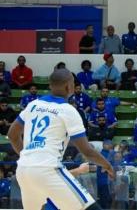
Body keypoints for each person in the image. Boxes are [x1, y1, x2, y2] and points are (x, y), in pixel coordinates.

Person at [7, 68, 114, 210]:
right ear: (69, 87)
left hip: (23, 170)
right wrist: (107, 165)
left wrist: (30, 157)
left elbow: (12, 135)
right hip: (47, 169)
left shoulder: (33, 105)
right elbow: (87, 151)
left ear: (50, 85)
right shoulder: (68, 110)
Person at [96, 140, 114, 208]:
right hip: (105, 182)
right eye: (107, 144)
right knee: (106, 202)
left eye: (110, 144)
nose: (109, 145)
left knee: (103, 201)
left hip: (101, 181)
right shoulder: (106, 154)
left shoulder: (100, 154)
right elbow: (104, 169)